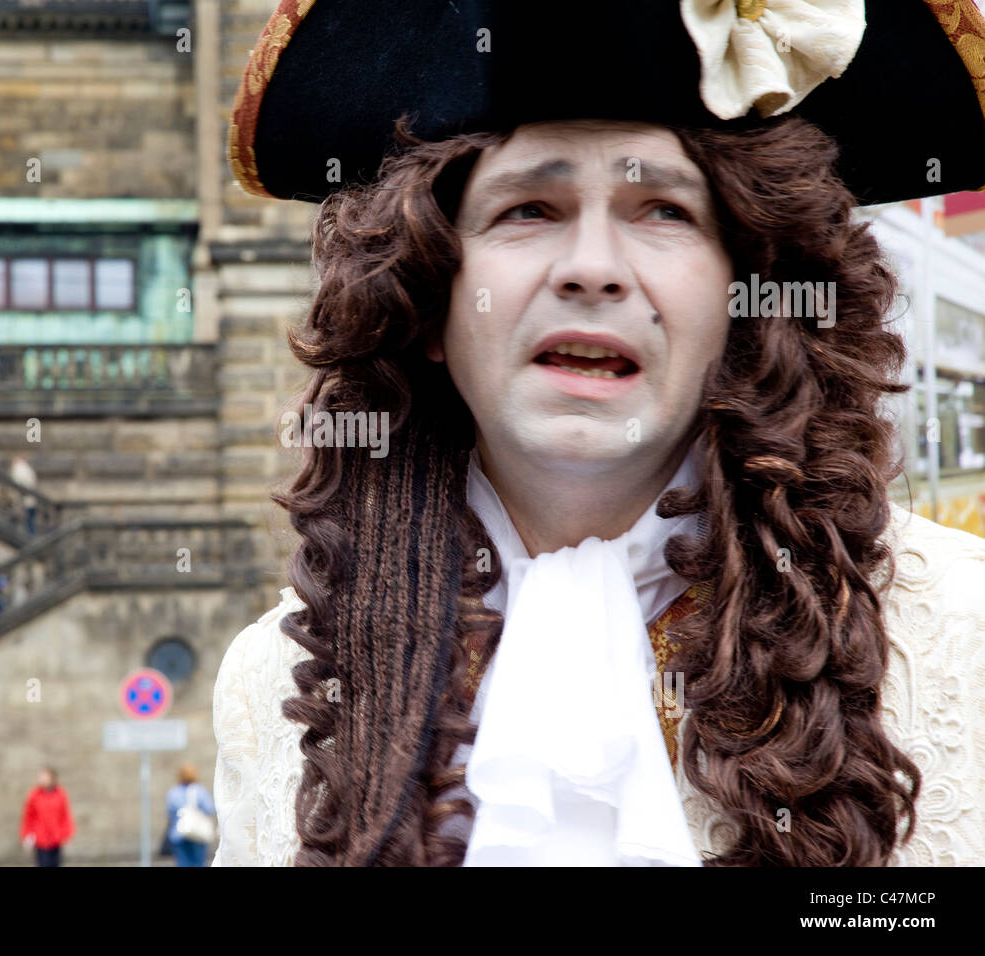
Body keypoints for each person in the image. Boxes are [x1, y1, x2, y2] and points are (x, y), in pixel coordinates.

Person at [211, 2, 985, 867]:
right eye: (528, 209)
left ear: (747, 300)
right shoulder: (269, 684)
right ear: (427, 300)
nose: (592, 268)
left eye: (662, 210)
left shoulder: (968, 632)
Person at [19, 767, 74, 866]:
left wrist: (67, 834)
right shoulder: (34, 795)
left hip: (56, 838)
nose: (41, 779)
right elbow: (29, 817)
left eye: (44, 777)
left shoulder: (60, 794)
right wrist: (27, 834)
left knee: (55, 863)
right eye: (40, 777)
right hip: (41, 839)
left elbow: (65, 816)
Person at [164, 763, 216, 867]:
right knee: (198, 863)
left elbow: (170, 813)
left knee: (182, 862)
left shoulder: (173, 792)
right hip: (198, 833)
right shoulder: (200, 791)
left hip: (179, 833)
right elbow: (209, 809)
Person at [10, 455, 39, 535]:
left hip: (24, 501)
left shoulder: (19, 469)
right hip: (30, 500)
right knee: (29, 522)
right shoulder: (27, 469)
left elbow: (18, 484)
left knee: (27, 523)